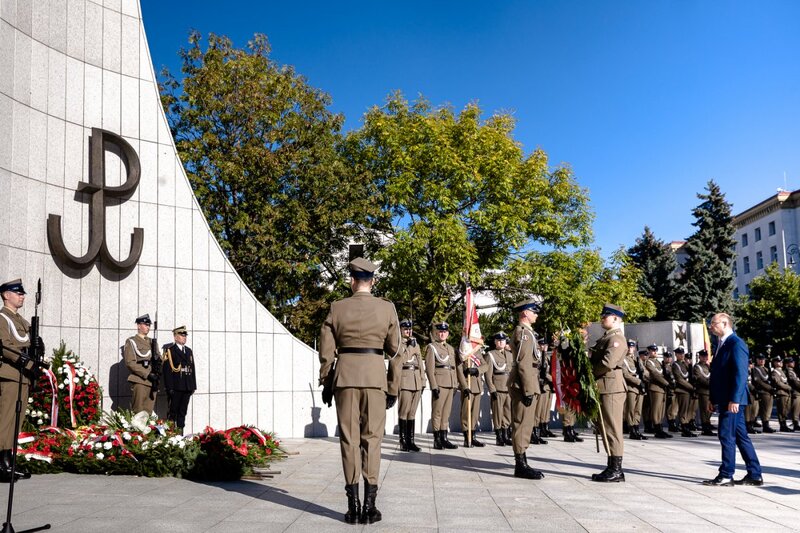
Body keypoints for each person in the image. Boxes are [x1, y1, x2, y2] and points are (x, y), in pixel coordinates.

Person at [318, 257, 400, 524]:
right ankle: (370, 506)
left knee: (349, 440)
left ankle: (353, 507)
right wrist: (392, 386)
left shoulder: (337, 308)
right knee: (372, 439)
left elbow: (326, 351)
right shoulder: (387, 309)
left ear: (352, 281)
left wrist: (327, 382)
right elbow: (396, 352)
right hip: (375, 378)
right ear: (372, 281)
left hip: (345, 378)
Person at [703, 313, 763, 486]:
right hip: (724, 398)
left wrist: (735, 399)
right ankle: (755, 474)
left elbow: (740, 374)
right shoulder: (721, 344)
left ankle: (727, 474)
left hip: (732, 399)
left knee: (726, 434)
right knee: (740, 436)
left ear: (724, 323)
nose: (710, 327)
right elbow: (718, 375)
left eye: (713, 323)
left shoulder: (736, 343)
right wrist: (712, 399)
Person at [0, 279, 36, 482]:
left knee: (17, 419)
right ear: (6, 295)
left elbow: (27, 345)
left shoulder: (21, 320)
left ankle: (9, 460)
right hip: (10, 373)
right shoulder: (2, 318)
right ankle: (1, 463)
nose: (22, 295)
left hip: (22, 375)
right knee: (6, 419)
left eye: (22, 293)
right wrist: (28, 362)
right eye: (17, 292)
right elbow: (5, 345)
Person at [589, 303, 628, 482]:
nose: (602, 318)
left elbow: (607, 363)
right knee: (606, 427)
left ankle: (616, 469)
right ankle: (612, 465)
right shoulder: (606, 338)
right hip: (605, 387)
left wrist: (590, 374)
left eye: (606, 316)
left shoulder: (616, 339)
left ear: (615, 319)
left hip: (611, 388)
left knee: (612, 428)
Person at [507, 299, 545, 480]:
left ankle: (522, 461)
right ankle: (520, 464)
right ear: (525, 313)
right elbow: (523, 364)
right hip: (523, 385)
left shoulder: (529, 333)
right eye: (534, 311)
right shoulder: (524, 334)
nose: (536, 314)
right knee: (522, 423)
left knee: (525, 423)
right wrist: (529, 390)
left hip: (527, 383)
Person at [388, 319, 425, 452]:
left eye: (410, 329)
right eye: (405, 329)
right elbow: (400, 362)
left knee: (412, 413)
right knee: (404, 412)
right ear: (400, 330)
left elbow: (420, 363)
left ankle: (411, 441)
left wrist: (423, 380)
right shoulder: (397, 344)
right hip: (404, 380)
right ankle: (403, 441)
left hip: (416, 381)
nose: (408, 331)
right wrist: (410, 348)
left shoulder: (415, 344)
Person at [425, 322, 459, 450]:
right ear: (436, 333)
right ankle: (437, 439)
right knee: (437, 412)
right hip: (440, 383)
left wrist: (455, 384)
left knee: (446, 413)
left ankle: (444, 438)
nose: (442, 334)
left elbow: (453, 367)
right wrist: (434, 386)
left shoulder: (450, 348)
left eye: (445, 332)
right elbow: (429, 369)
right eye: (440, 332)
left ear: (448, 334)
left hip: (450, 384)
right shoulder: (432, 347)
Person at [161, 326, 196, 433]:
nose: (184, 337)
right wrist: (169, 387)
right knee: (173, 411)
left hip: (186, 386)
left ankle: (180, 433)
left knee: (183, 411)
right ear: (175, 337)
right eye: (182, 335)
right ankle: (171, 434)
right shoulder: (170, 351)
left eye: (185, 335)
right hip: (176, 387)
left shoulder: (189, 351)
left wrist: (193, 386)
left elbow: (192, 368)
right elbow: (167, 371)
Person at [123, 314, 158, 414]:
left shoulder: (152, 342)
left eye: (149, 325)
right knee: (138, 411)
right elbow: (130, 362)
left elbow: (158, 360)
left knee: (148, 411)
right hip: (140, 380)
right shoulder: (131, 341)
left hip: (153, 381)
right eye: (145, 324)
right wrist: (147, 374)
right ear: (138, 326)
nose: (148, 327)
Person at [457, 334, 488, 448]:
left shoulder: (477, 352)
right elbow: (459, 370)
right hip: (467, 385)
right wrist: (464, 386)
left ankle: (473, 436)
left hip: (477, 385)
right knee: (466, 413)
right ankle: (467, 438)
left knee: (475, 413)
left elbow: (486, 366)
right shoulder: (462, 351)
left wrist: (477, 370)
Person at [485, 332, 514, 446]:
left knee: (507, 413)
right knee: (498, 414)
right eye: (498, 340)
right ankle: (499, 436)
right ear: (495, 342)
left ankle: (506, 435)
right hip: (498, 389)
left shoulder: (510, 355)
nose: (501, 342)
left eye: (503, 340)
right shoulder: (491, 355)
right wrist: (492, 389)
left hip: (509, 389)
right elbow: (488, 375)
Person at [645, 345, 672, 439]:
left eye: (655, 350)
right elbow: (655, 374)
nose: (655, 352)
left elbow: (663, 373)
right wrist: (666, 383)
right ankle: (657, 429)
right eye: (652, 350)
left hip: (662, 388)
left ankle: (660, 428)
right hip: (655, 387)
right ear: (648, 351)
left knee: (661, 410)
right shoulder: (648, 362)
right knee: (656, 410)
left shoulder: (659, 362)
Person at [622, 340, 647, 440]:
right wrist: (638, 382)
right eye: (628, 346)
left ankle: (636, 428)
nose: (629, 348)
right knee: (630, 410)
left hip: (640, 389)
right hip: (631, 387)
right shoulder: (623, 359)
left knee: (638, 410)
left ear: (634, 349)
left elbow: (644, 372)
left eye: (632, 347)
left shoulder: (637, 360)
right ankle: (632, 430)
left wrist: (645, 378)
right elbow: (626, 374)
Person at [671, 347, 697, 437]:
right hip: (682, 390)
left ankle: (687, 427)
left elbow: (689, 376)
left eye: (682, 353)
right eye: (679, 354)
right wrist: (691, 387)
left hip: (688, 391)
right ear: (676, 355)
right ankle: (684, 428)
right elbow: (679, 379)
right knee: (683, 410)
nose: (681, 355)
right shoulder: (675, 365)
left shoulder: (685, 364)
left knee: (688, 410)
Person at [536, 338, 556, 442]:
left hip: (548, 386)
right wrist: (553, 379)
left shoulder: (547, 357)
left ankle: (545, 427)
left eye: (546, 345)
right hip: (541, 386)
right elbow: (540, 372)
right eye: (542, 345)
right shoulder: (538, 357)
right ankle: (538, 429)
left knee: (546, 409)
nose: (545, 347)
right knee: (539, 409)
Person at [693, 350, 716, 436]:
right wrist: (712, 384)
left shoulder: (708, 366)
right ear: (699, 357)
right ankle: (705, 428)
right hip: (703, 391)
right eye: (703, 356)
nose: (705, 358)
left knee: (710, 410)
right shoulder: (697, 367)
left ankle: (708, 425)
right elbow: (700, 378)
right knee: (705, 411)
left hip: (710, 391)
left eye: (706, 356)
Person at [751, 354, 775, 433]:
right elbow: (758, 381)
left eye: (763, 359)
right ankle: (765, 425)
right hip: (763, 391)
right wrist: (769, 388)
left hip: (769, 392)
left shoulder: (766, 369)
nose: (762, 361)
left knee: (768, 409)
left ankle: (766, 424)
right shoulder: (756, 369)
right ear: (757, 360)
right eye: (760, 359)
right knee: (764, 409)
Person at [770, 356, 793, 432]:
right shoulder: (775, 372)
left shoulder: (782, 371)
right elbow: (778, 383)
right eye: (778, 361)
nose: (780, 363)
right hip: (781, 393)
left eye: (781, 361)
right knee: (782, 411)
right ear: (775, 363)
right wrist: (788, 388)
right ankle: (782, 425)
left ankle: (784, 424)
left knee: (786, 410)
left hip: (786, 393)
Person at [785, 357, 800, 431]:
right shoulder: (789, 371)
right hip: (795, 392)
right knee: (795, 409)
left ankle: (796, 423)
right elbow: (794, 382)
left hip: (797, 392)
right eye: (791, 362)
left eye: (793, 361)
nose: (793, 363)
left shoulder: (792, 371)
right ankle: (795, 424)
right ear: (787, 363)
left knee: (797, 409)